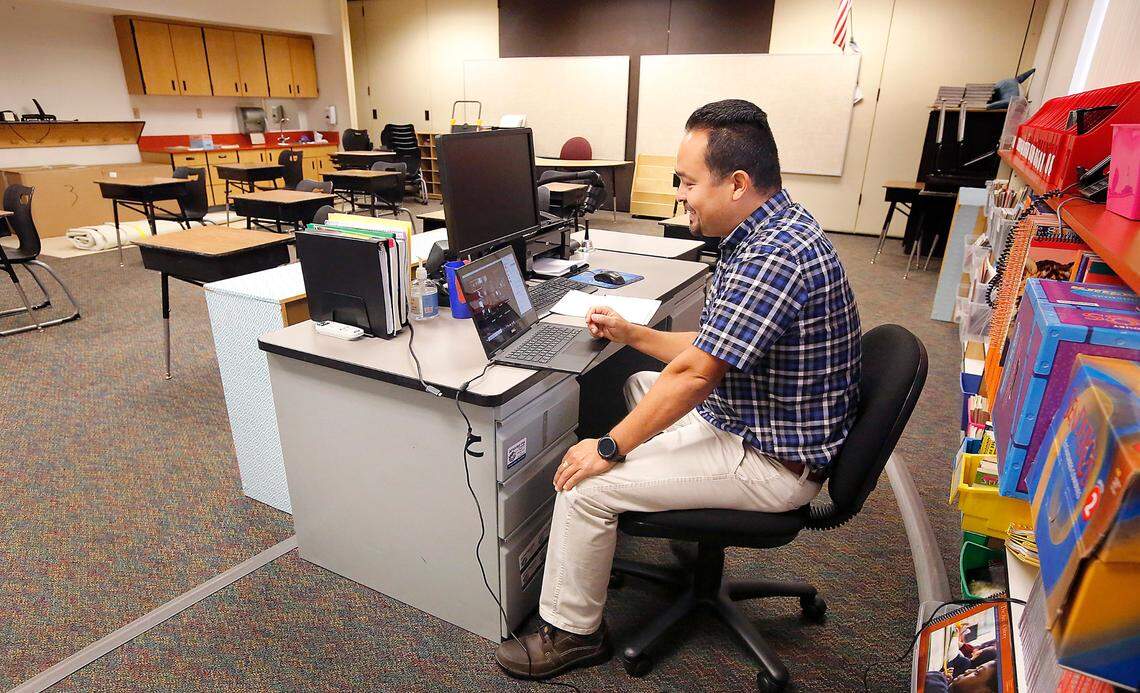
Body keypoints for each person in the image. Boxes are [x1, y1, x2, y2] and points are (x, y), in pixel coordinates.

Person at [494, 99, 862, 680]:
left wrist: (607, 448)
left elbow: (695, 375)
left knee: (585, 484)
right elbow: (715, 345)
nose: (680, 195)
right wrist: (632, 332)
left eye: (688, 182)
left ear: (737, 183)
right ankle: (675, 515)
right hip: (764, 419)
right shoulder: (775, 229)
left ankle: (571, 634)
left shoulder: (774, 257)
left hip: (773, 460)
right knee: (642, 382)